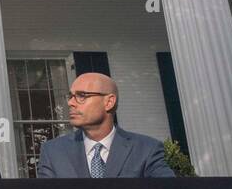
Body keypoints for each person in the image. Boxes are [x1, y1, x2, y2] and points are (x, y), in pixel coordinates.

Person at [36, 72, 174, 178]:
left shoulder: (146, 149)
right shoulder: (53, 152)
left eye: (82, 95)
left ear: (109, 102)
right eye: (70, 96)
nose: (70, 103)